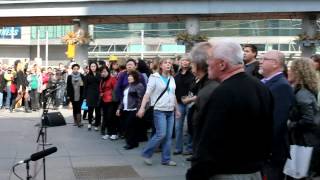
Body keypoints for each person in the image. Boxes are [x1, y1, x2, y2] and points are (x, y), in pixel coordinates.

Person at [186, 40, 274, 180]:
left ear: (222, 64)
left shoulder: (221, 93)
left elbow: (209, 140)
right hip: (254, 171)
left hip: (226, 172)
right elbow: (269, 130)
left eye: (210, 60)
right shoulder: (261, 87)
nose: (207, 63)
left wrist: (196, 173)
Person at [137, 58, 181, 166]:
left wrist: (177, 109)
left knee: (168, 136)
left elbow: (173, 94)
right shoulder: (154, 77)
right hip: (159, 110)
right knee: (161, 134)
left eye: (170, 63)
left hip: (170, 111)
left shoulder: (172, 78)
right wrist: (142, 108)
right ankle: (146, 153)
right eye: (166, 62)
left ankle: (166, 159)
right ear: (161, 65)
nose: (168, 64)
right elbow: (147, 94)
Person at [259, 50, 294, 180]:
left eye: (264, 59)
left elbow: (276, 121)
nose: (260, 62)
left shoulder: (281, 86)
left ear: (275, 63)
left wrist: (265, 148)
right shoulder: (267, 82)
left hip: (271, 150)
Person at [186, 42, 220, 161]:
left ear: (198, 64)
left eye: (191, 63)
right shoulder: (207, 85)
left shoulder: (209, 89)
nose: (190, 67)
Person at [287, 58, 320, 178]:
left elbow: (308, 119)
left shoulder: (302, 93)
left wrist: (290, 124)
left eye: (291, 69)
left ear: (298, 72)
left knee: (299, 173)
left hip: (304, 141)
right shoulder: (304, 91)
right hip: (305, 139)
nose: (288, 71)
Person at [116, 70, 145, 149]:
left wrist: (139, 109)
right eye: (128, 76)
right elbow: (123, 99)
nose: (129, 77)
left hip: (134, 109)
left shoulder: (139, 85)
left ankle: (130, 143)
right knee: (128, 126)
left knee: (129, 126)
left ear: (135, 77)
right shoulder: (127, 86)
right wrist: (119, 108)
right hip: (126, 109)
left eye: (131, 76)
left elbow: (141, 98)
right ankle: (134, 143)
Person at [173, 55, 194, 155]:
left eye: (187, 60)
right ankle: (178, 148)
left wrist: (189, 98)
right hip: (179, 103)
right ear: (180, 62)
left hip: (190, 102)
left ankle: (189, 147)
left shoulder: (193, 74)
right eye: (183, 60)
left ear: (190, 63)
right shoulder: (176, 75)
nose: (185, 62)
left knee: (190, 126)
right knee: (178, 127)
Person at [99, 66, 118, 139]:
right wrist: (102, 93)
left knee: (111, 117)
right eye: (101, 72)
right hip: (104, 101)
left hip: (111, 101)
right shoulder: (102, 80)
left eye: (104, 72)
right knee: (106, 117)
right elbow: (100, 89)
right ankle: (109, 133)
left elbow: (116, 89)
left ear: (108, 72)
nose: (103, 73)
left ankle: (114, 133)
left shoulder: (112, 79)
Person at [84, 62, 101, 131]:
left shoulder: (100, 75)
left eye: (94, 66)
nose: (93, 67)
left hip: (98, 94)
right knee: (90, 111)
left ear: (96, 67)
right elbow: (85, 87)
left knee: (98, 111)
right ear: (90, 67)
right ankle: (89, 123)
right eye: (92, 66)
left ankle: (96, 124)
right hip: (90, 94)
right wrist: (85, 97)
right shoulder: (87, 76)